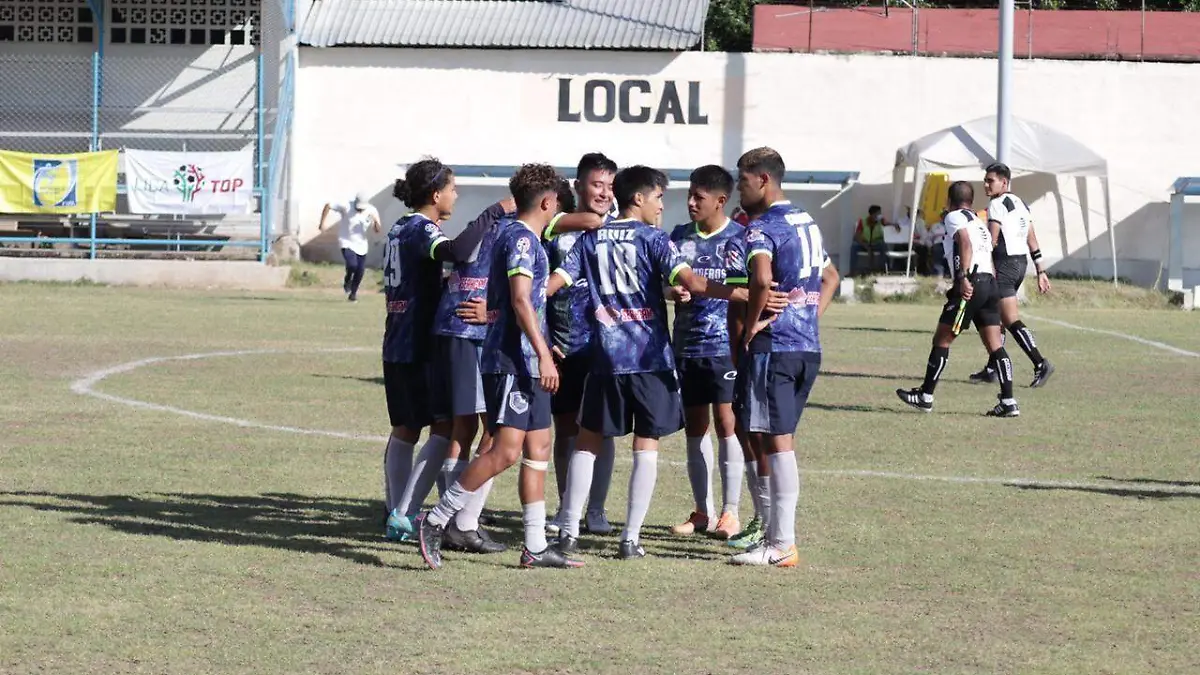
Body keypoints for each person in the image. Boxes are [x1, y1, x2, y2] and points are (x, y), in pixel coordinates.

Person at [548, 165, 775, 559]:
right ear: (638, 198)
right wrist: (746, 296)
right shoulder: (654, 239)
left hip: (604, 359)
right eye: (658, 198)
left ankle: (568, 532)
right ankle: (629, 539)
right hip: (648, 359)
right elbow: (695, 283)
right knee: (645, 446)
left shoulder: (591, 239)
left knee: (587, 443)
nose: (662, 206)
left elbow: (553, 284)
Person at [416, 163, 584, 570]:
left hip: (527, 361)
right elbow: (522, 299)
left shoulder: (517, 235)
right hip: (513, 362)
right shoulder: (522, 240)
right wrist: (544, 353)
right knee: (505, 451)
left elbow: (515, 303)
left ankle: (535, 546)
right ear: (548, 202)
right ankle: (436, 520)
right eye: (557, 205)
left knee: (539, 447)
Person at [728, 147, 840, 567]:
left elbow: (759, 279)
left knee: (775, 443)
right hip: (806, 346)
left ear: (762, 180)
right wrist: (807, 315)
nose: (740, 188)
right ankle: (776, 538)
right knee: (777, 440)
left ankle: (782, 544)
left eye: (742, 180)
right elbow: (831, 277)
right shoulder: (806, 221)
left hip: (775, 347)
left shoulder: (762, 227)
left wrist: (754, 322)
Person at [380, 158, 493, 540]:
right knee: (444, 428)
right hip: (419, 342)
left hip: (397, 337)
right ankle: (405, 514)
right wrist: (491, 215)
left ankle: (400, 512)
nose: (456, 194)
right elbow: (457, 252)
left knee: (407, 429)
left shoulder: (398, 226)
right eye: (453, 188)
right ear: (435, 194)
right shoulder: (422, 227)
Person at [542, 152, 620, 536]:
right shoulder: (556, 230)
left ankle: (598, 510)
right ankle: (565, 505)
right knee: (567, 427)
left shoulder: (621, 230)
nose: (604, 193)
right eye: (596, 184)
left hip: (607, 347)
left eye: (609, 185)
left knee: (602, 429)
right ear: (577, 186)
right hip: (562, 346)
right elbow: (538, 287)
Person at [666, 165, 746, 540]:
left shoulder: (740, 239)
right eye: (689, 195)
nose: (691, 202)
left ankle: (731, 513)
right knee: (695, 429)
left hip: (724, 347)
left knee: (727, 424)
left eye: (699, 196)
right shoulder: (679, 236)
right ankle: (703, 510)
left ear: (720, 201)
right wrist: (673, 292)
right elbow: (661, 283)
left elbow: (750, 293)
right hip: (685, 345)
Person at [896, 180, 1021, 418]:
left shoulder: (955, 217)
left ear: (949, 201)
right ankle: (1008, 401)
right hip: (989, 283)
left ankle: (925, 396)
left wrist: (962, 278)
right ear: (971, 201)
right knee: (996, 345)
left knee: (942, 338)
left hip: (972, 283)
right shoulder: (979, 221)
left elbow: (964, 243)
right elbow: (986, 253)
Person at [968, 162, 1055, 388]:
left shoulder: (996, 204)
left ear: (1004, 182)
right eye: (985, 180)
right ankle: (992, 368)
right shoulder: (1021, 204)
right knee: (997, 317)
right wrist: (1041, 271)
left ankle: (1040, 363)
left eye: (990, 180)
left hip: (1005, 264)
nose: (986, 184)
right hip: (1020, 263)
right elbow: (1032, 239)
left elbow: (992, 239)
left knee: (1009, 319)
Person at [319, 191, 381, 302]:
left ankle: (353, 294)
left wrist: (375, 223)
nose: (360, 210)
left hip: (362, 244)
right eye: (358, 208)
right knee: (352, 265)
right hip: (346, 241)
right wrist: (322, 223)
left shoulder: (372, 210)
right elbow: (328, 205)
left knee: (360, 270)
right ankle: (347, 279)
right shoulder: (346, 206)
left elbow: (377, 230)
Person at [850, 205, 888, 274]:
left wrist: (894, 225)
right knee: (854, 246)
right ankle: (853, 271)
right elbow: (856, 236)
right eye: (878, 214)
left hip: (875, 244)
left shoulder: (880, 221)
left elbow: (886, 224)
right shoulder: (863, 221)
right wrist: (866, 247)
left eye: (880, 214)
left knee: (884, 246)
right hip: (864, 243)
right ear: (872, 214)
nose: (879, 215)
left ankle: (882, 270)